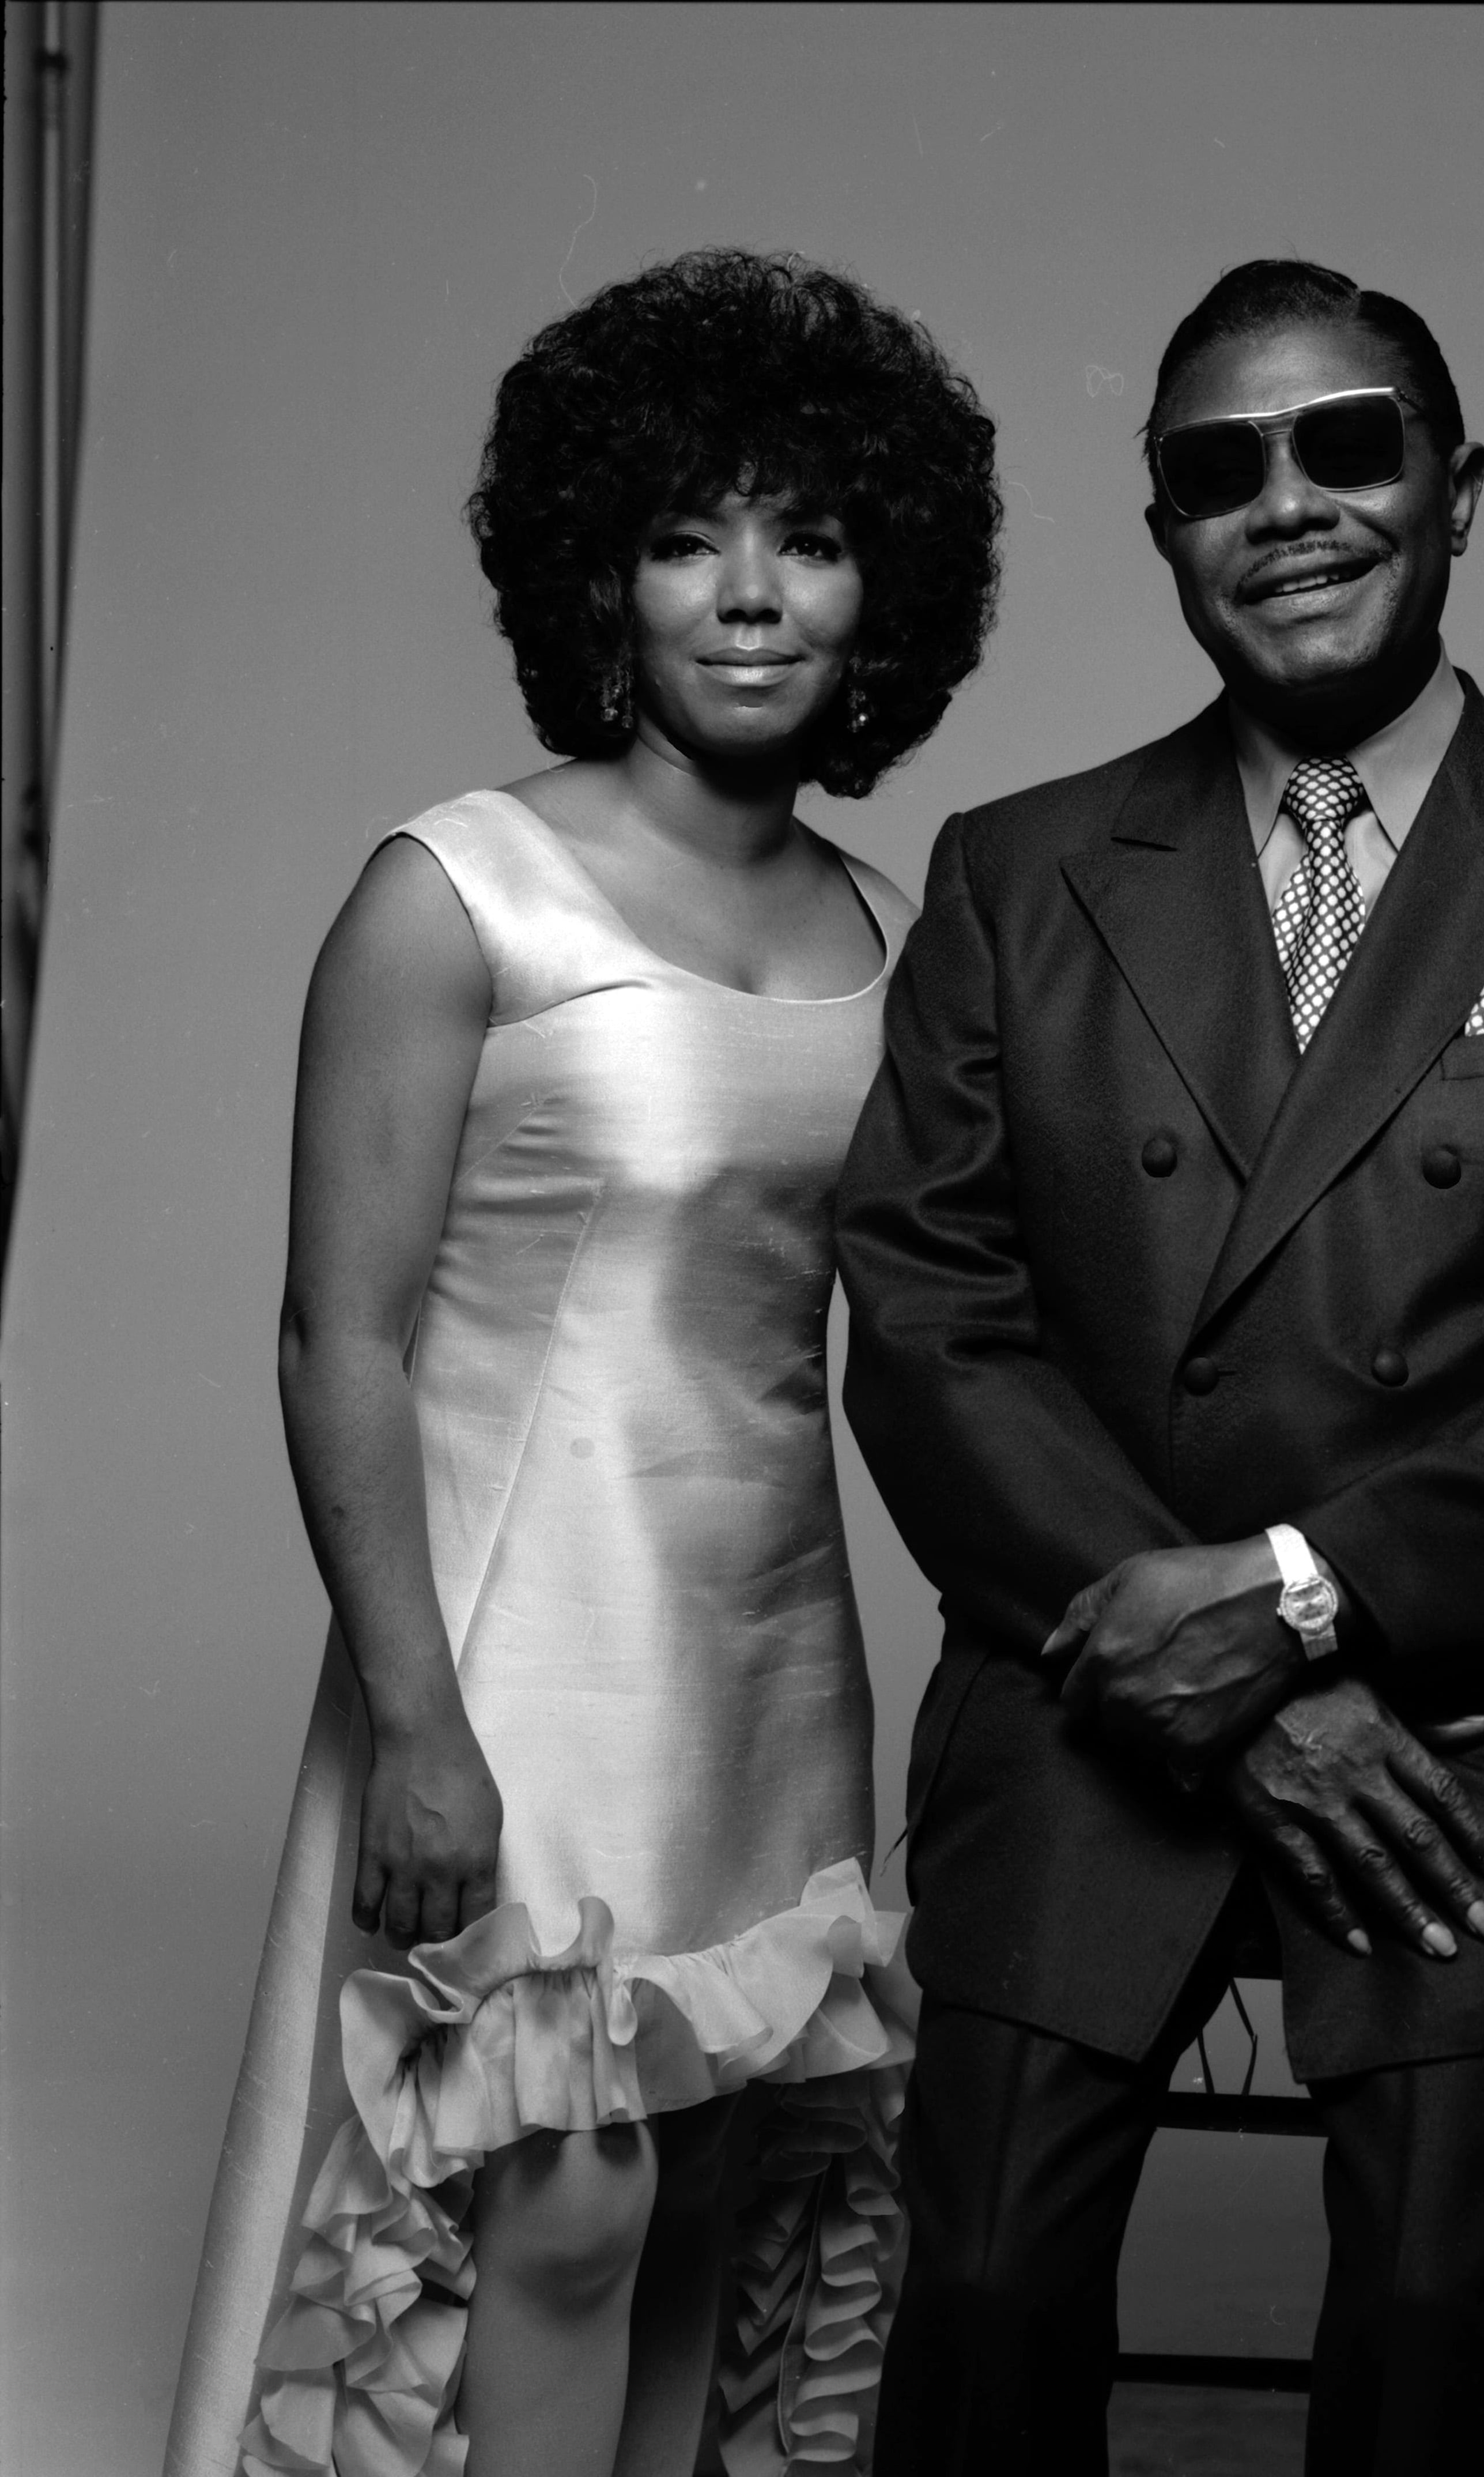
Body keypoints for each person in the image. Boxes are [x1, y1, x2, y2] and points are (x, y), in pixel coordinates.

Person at [832, 255, 1484, 2476]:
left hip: (1469, 1707)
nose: (1288, 505)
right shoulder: (1019, 869)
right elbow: (929, 1316)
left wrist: (1296, 1602)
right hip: (1092, 1680)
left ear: (1450, 490)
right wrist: (1201, 1648)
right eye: (1215, 470)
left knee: (1453, 2318)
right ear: (1161, 529)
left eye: (1345, 444)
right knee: (970, 2289)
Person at [165, 250, 1000, 2477]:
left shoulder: (887, 932)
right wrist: (418, 1718)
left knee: (729, 2201)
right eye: (684, 536)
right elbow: (334, 1329)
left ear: (878, 595)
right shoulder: (462, 893)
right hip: (517, 1644)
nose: (748, 596)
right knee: (555, 2208)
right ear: (596, 576)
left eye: (807, 539)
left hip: (772, 1649)